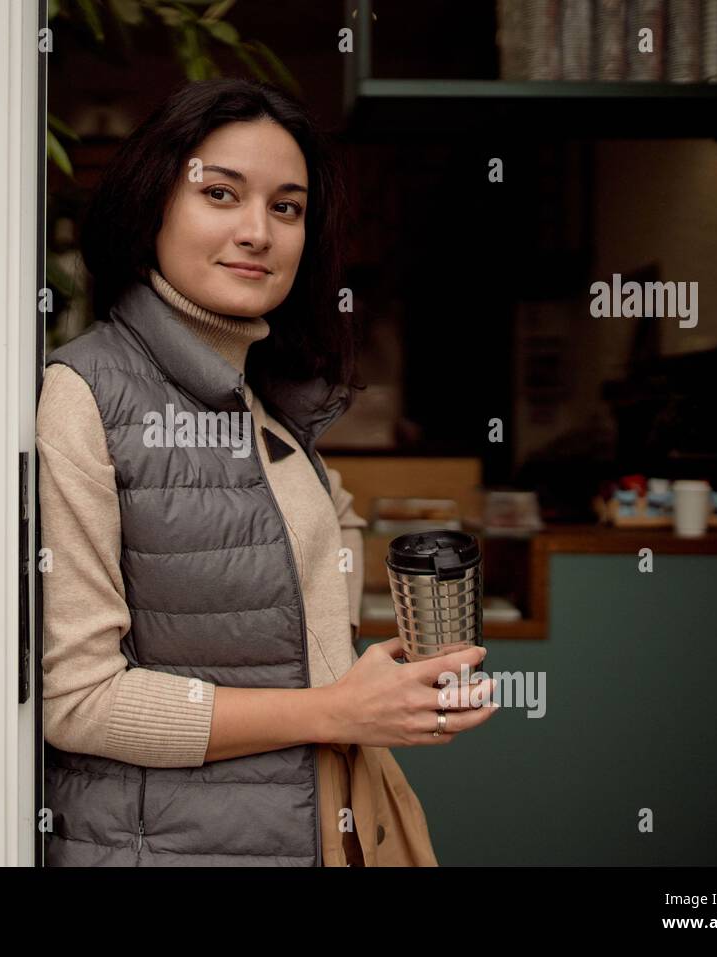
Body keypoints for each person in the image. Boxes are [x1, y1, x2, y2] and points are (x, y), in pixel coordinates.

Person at [38, 77, 497, 867]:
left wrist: (385, 689)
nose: (258, 230)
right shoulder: (83, 396)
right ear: (153, 203)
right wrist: (334, 710)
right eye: (220, 193)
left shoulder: (265, 402)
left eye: (286, 206)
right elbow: (78, 701)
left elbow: (300, 601)